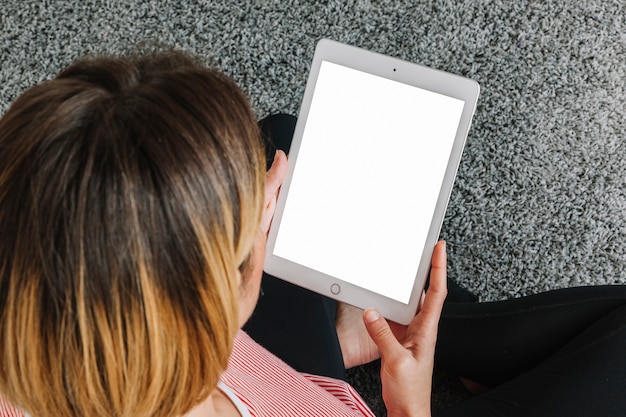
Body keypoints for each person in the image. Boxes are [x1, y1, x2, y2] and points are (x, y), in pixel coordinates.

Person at [0, 50, 624, 417]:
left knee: (284, 139)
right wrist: (410, 408)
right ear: (203, 311)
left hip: (283, 375)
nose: (273, 193)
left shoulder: (60, 332)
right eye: (256, 226)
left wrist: (341, 346)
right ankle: (453, 349)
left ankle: (388, 327)